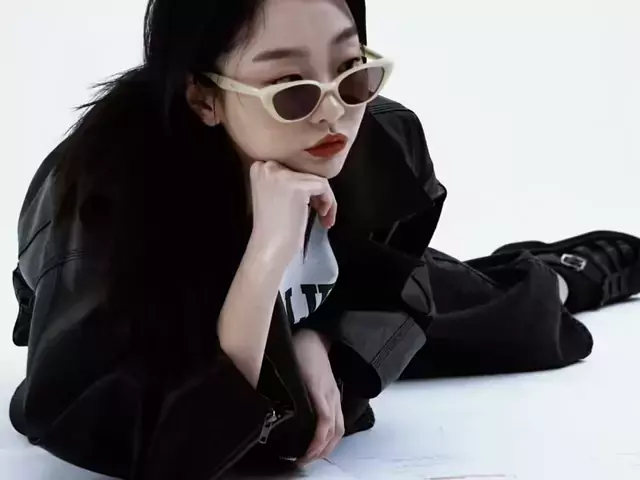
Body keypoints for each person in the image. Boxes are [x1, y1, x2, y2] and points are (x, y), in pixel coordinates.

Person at [8, 0, 640, 479]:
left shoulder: (369, 143)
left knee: (502, 320)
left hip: (315, 277)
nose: (335, 112)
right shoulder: (106, 220)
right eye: (291, 90)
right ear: (203, 98)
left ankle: (567, 275)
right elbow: (163, 442)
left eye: (352, 72)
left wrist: (319, 337)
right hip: (147, 305)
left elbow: (392, 283)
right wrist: (266, 254)